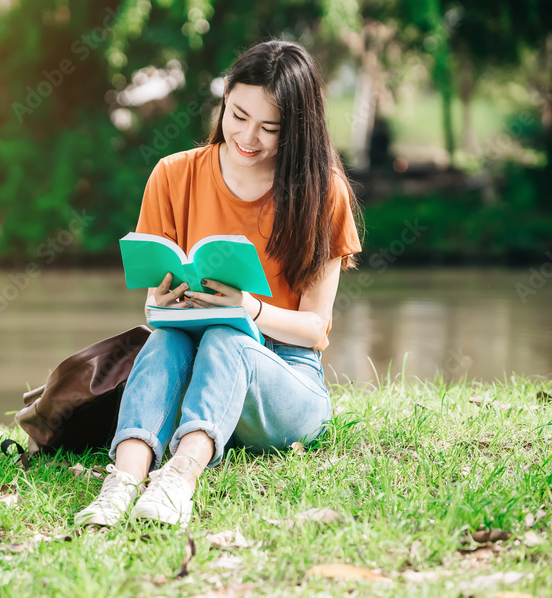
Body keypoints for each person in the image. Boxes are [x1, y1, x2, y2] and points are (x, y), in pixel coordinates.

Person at [74, 39, 362, 527]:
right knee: (165, 335)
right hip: (195, 370)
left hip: (286, 379)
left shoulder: (322, 192)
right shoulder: (173, 175)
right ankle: (122, 482)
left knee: (227, 336)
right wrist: (163, 302)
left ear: (297, 128)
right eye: (237, 115)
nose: (248, 136)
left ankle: (179, 481)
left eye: (270, 127)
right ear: (223, 99)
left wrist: (247, 308)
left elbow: (315, 330)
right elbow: (152, 304)